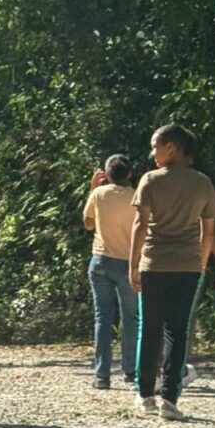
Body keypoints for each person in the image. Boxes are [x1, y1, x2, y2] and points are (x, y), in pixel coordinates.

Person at [129, 124, 215, 421]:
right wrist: (201, 263)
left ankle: (145, 395)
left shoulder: (150, 180)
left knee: (150, 329)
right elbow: (208, 229)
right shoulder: (202, 182)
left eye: (155, 147)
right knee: (177, 331)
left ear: (171, 147)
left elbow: (140, 225)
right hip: (188, 266)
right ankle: (169, 400)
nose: (153, 153)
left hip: (154, 264)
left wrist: (133, 264)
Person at [83, 155, 138, 389]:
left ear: (106, 174)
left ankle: (102, 375)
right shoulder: (137, 196)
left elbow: (88, 224)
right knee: (131, 318)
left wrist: (93, 189)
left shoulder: (98, 194)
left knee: (102, 318)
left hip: (101, 261)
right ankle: (130, 371)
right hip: (128, 262)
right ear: (129, 174)